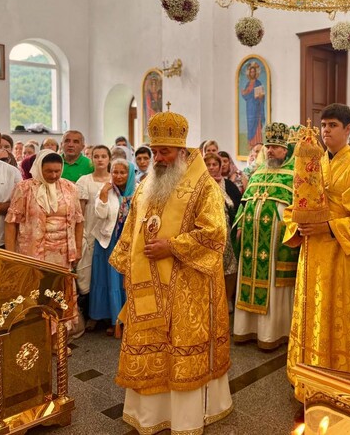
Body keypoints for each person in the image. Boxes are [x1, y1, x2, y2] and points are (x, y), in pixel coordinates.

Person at [109, 108, 232, 434]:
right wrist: (127, 265)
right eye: (155, 151)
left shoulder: (203, 186)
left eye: (164, 152)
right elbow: (132, 225)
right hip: (146, 285)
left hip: (187, 286)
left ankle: (185, 417)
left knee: (179, 348)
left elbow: (215, 235)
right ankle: (150, 414)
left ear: (180, 150)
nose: (158, 158)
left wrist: (173, 246)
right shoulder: (147, 184)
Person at [283, 103, 350, 407]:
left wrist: (327, 226)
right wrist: (299, 226)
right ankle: (311, 378)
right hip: (312, 256)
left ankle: (345, 384)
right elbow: (295, 204)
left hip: (343, 259)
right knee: (313, 315)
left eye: (333, 125)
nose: (326, 131)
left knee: (340, 319)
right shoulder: (313, 162)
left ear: (348, 129)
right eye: (324, 125)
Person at [233, 122, 300, 350]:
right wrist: (239, 224)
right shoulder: (258, 172)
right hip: (251, 243)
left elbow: (300, 207)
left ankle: (273, 333)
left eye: (275, 147)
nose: (270, 151)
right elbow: (244, 203)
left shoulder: (295, 175)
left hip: (277, 245)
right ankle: (246, 330)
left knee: (273, 287)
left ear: (286, 149)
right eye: (268, 147)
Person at [5, 150, 84, 332]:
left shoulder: (70, 188)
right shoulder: (24, 188)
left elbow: (79, 220)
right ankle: (37, 337)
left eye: (57, 171)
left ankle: (59, 338)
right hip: (33, 253)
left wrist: (78, 249)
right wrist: (10, 255)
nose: (54, 175)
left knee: (59, 296)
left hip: (62, 253)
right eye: (49, 171)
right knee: (35, 295)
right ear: (39, 168)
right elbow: (11, 222)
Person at [89, 158, 134, 338]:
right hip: (109, 241)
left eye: (123, 172)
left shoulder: (138, 190)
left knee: (126, 281)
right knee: (109, 280)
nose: (118, 176)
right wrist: (104, 195)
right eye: (115, 172)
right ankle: (112, 319)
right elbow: (100, 214)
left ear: (129, 174)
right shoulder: (106, 189)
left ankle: (128, 318)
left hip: (131, 243)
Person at [75, 145, 112, 324]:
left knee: (107, 272)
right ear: (91, 159)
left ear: (109, 159)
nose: (100, 159)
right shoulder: (84, 181)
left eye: (103, 156)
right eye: (96, 156)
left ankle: (110, 314)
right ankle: (92, 315)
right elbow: (79, 211)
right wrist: (80, 235)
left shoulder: (114, 179)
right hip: (89, 231)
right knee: (88, 274)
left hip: (110, 232)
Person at [204, 152, 240, 311]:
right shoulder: (200, 185)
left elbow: (239, 207)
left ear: (220, 166)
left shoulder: (229, 185)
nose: (211, 168)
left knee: (231, 268)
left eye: (215, 164)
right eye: (208, 165)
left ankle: (226, 300)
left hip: (228, 233)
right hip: (208, 233)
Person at [241, 62, 266, 148]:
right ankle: (251, 143)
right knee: (250, 124)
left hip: (256, 108)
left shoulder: (258, 83)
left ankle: (258, 143)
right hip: (249, 108)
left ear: (256, 73)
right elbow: (246, 96)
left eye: (254, 72)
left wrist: (260, 97)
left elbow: (262, 96)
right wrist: (243, 93)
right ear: (249, 73)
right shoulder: (248, 84)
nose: (252, 73)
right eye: (251, 72)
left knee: (257, 123)